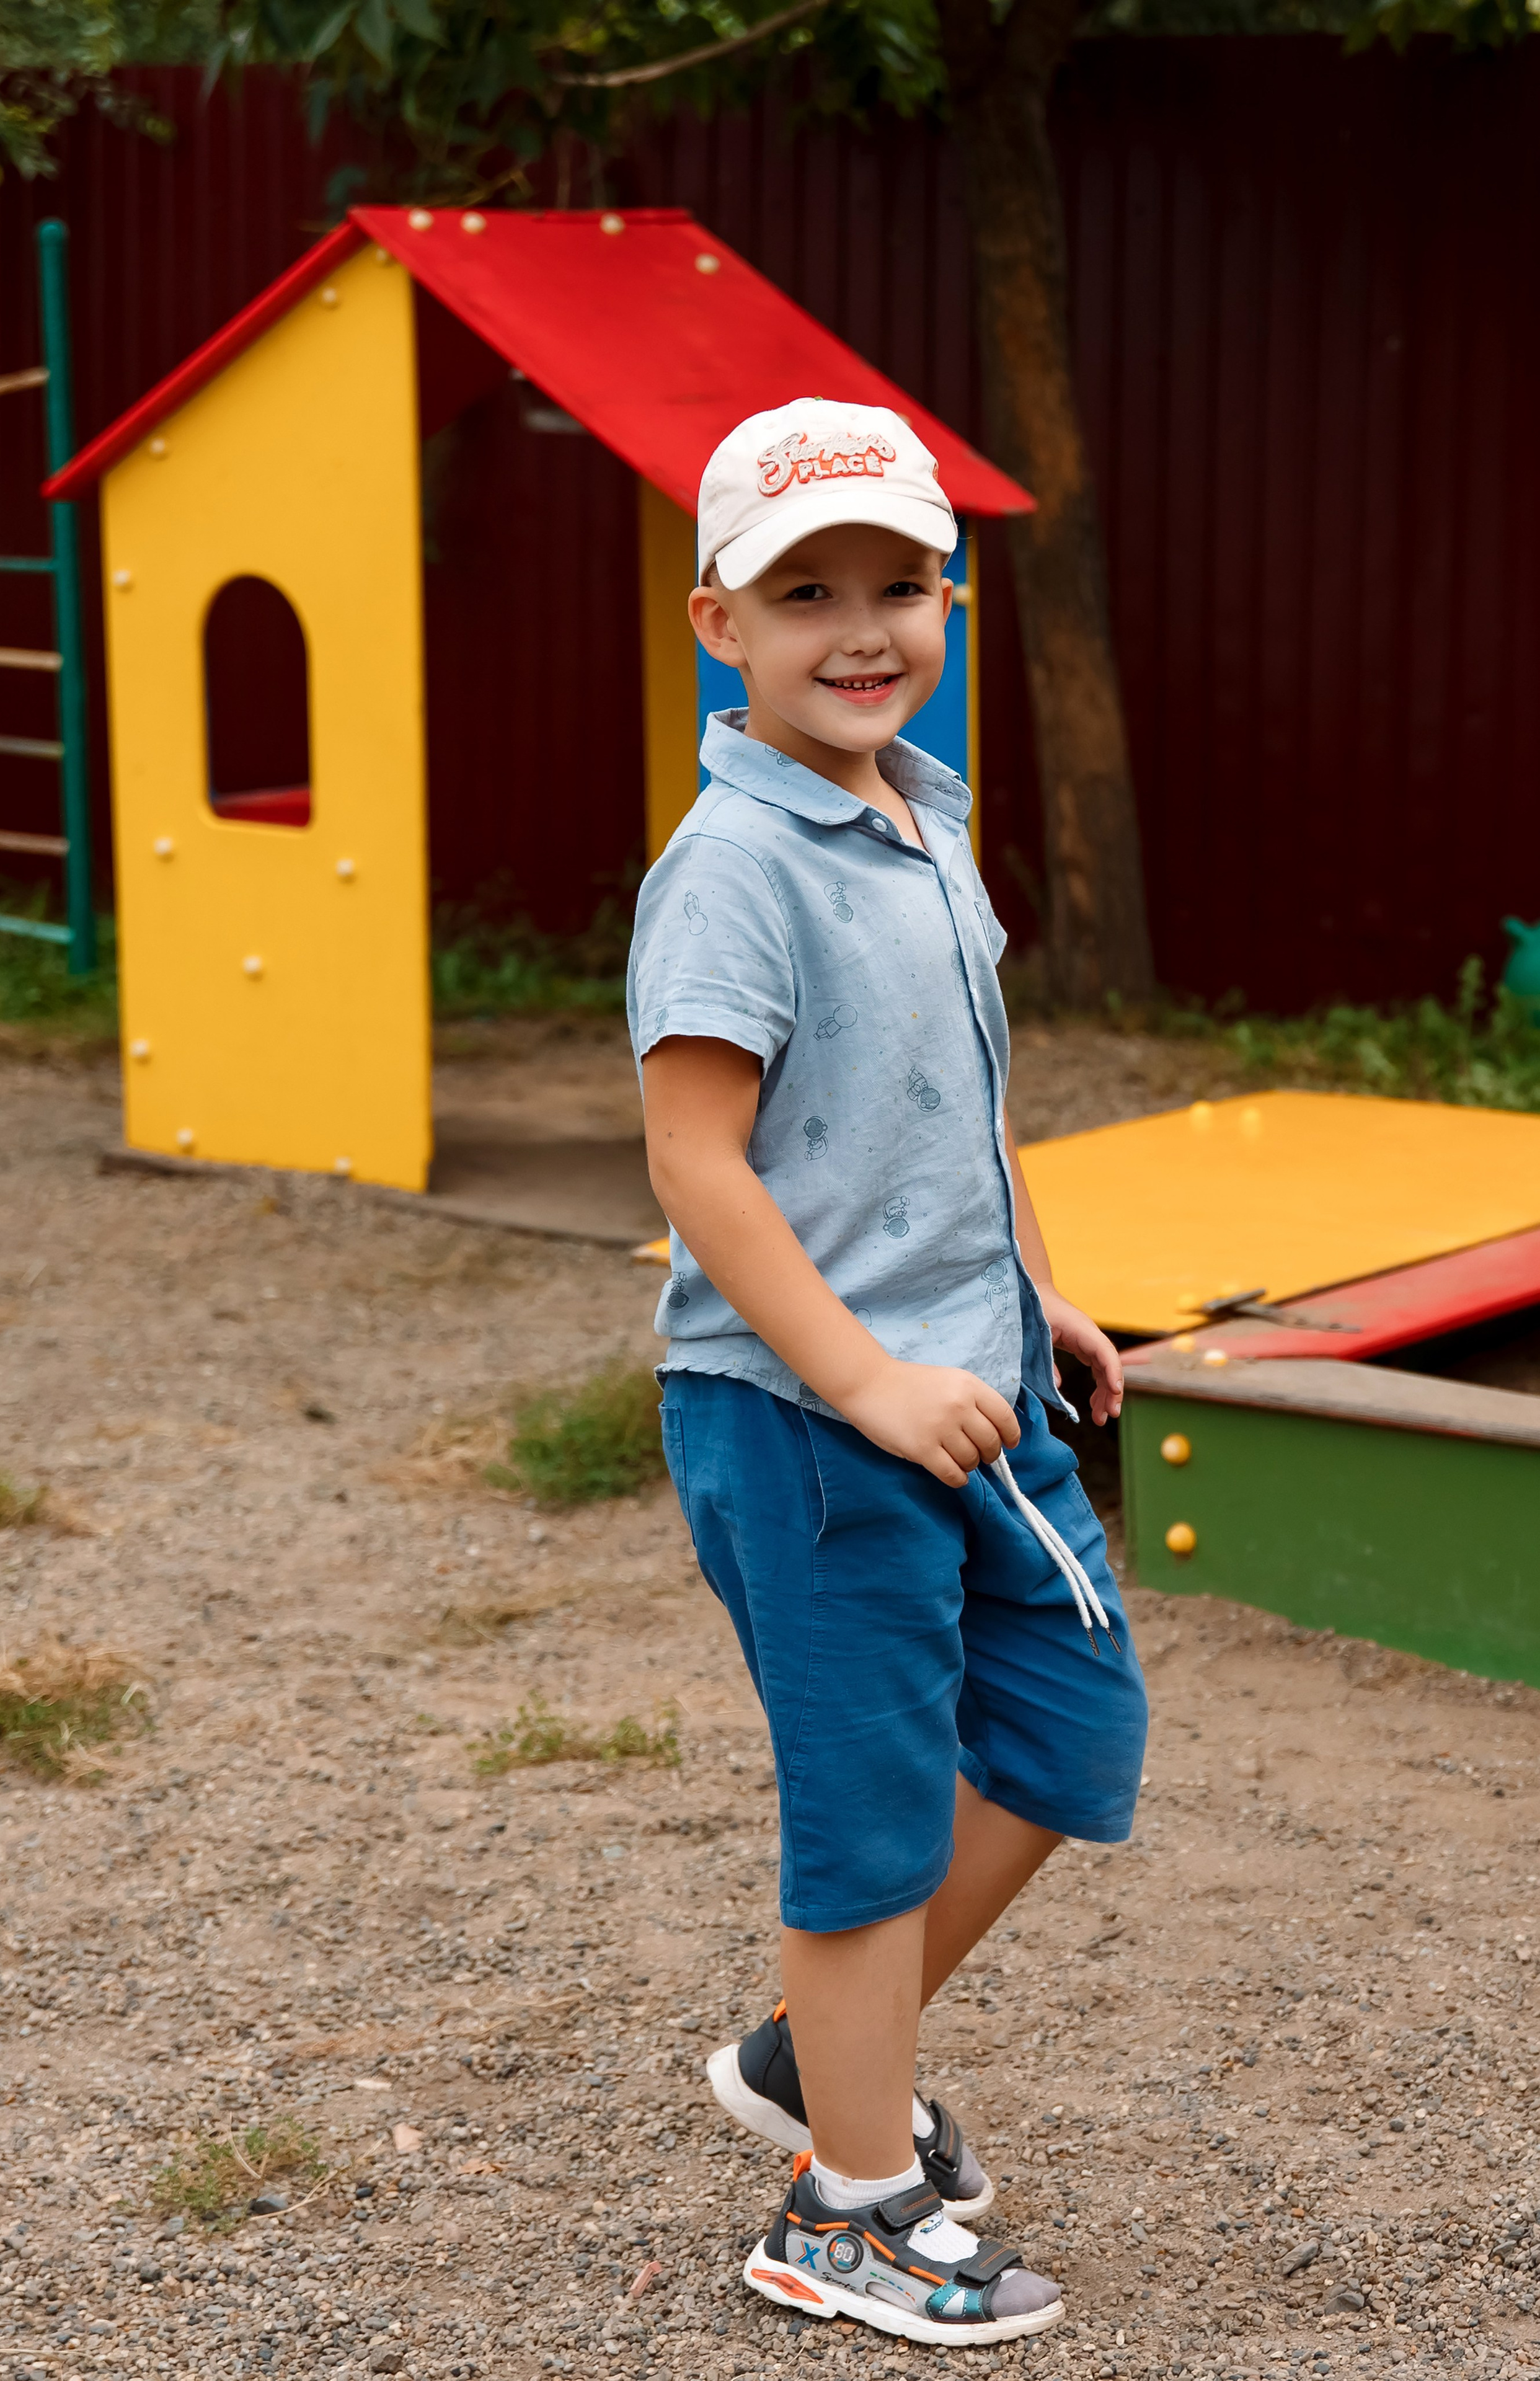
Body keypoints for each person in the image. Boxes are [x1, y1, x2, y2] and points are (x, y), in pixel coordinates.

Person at [627, 397, 1149, 2350]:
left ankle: (814, 2054)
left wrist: (1039, 1287)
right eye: (805, 595)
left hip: (973, 1378)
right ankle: (845, 2209)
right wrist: (862, 1382)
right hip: (808, 1419)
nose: (861, 630)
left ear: (949, 601)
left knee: (1076, 1731)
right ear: (720, 625)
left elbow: (970, 1092)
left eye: (898, 586)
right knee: (866, 1820)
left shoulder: (921, 813)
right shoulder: (732, 870)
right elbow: (697, 1164)